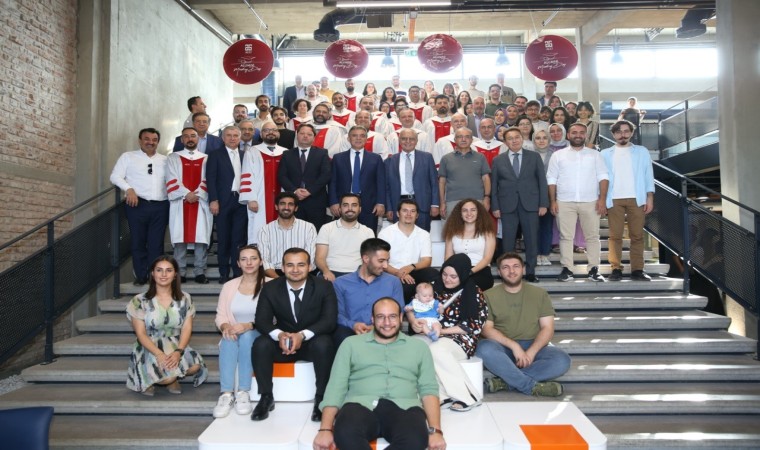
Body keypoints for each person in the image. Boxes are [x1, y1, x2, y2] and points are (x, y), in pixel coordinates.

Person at [313, 298, 445, 450]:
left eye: (392, 316)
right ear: (372, 319)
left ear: (401, 317)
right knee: (345, 435)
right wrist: (325, 429)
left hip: (405, 407)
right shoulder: (350, 344)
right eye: (380, 317)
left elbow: (428, 390)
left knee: (415, 440)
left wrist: (436, 431)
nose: (387, 323)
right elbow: (336, 387)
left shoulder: (419, 347)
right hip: (359, 406)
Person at [251, 248, 337, 422]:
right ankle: (266, 396)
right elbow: (261, 320)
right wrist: (280, 335)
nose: (295, 270)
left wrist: (302, 335)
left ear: (310, 267)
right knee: (261, 344)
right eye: (290, 265)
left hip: (311, 342)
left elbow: (329, 321)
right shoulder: (270, 288)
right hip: (283, 343)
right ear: (282, 268)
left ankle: (321, 398)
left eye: (301, 265)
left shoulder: (324, 286)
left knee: (324, 343)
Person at [476, 252, 570, 397]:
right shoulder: (488, 295)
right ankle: (529, 386)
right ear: (499, 272)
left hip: (533, 345)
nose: (511, 271)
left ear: (523, 269)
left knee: (562, 360)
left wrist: (531, 352)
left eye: (516, 266)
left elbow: (548, 328)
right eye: (506, 267)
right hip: (502, 348)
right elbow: (486, 330)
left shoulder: (540, 294)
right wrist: (514, 346)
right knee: (484, 348)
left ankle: (505, 381)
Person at [407, 253, 488, 411]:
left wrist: (442, 331)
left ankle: (468, 396)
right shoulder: (433, 286)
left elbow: (474, 325)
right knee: (412, 346)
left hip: (460, 337)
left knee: (437, 349)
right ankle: (441, 395)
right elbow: (412, 305)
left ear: (463, 275)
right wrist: (413, 321)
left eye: (453, 276)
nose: (447, 279)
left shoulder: (473, 292)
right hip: (430, 332)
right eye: (444, 274)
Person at [126, 256, 207, 395]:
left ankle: (171, 376)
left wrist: (178, 352)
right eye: (159, 270)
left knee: (195, 366)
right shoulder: (139, 300)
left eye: (169, 270)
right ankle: (151, 379)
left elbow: (187, 328)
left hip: (175, 343)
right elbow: (141, 334)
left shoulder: (185, 298)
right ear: (153, 273)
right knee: (167, 378)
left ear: (175, 274)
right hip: (150, 345)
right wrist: (159, 354)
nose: (164, 274)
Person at [547, 122, 609, 282]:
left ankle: (594, 269)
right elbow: (551, 179)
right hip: (564, 201)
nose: (578, 135)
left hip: (591, 201)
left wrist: (602, 199)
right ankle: (567, 269)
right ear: (568, 135)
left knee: (593, 237)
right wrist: (553, 201)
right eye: (574, 132)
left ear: (585, 135)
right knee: (566, 237)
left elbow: (603, 177)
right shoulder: (558, 155)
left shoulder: (595, 155)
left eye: (582, 132)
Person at [110, 128, 169, 285]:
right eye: (147, 139)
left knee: (157, 243)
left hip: (161, 206)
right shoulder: (128, 157)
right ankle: (141, 275)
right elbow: (115, 176)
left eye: (154, 139)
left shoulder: (165, 160)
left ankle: (155, 277)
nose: (150, 142)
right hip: (137, 205)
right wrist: (129, 189)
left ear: (158, 142)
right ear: (140, 140)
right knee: (138, 241)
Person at [213, 245, 265, 418]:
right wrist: (225, 326)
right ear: (238, 263)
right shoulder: (229, 286)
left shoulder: (271, 284)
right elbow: (220, 315)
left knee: (247, 336)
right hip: (235, 331)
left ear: (261, 261)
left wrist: (249, 325)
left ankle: (243, 392)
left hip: (261, 332)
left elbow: (274, 317)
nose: (249, 263)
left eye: (253, 258)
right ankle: (226, 394)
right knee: (228, 338)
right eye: (244, 259)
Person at [491, 127, 548, 283]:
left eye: (517, 137)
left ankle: (530, 271)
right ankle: (508, 272)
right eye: (510, 138)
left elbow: (542, 181)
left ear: (522, 139)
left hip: (530, 204)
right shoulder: (498, 160)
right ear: (505, 142)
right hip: (507, 205)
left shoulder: (534, 157)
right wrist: (495, 206)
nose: (514, 140)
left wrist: (543, 203)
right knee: (507, 242)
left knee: (531, 239)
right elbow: (494, 185)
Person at [602, 120, 655, 281]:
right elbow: (601, 178)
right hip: (614, 198)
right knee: (615, 236)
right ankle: (615, 268)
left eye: (626, 131)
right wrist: (601, 199)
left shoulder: (642, 151)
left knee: (637, 236)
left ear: (631, 133)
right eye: (618, 132)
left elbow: (648, 174)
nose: (622, 135)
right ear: (613, 134)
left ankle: (638, 269)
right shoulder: (605, 153)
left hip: (636, 198)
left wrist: (649, 197)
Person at [332, 238, 404, 346]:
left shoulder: (393, 282)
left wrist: (377, 327)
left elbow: (399, 312)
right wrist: (353, 325)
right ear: (366, 258)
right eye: (381, 261)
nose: (385, 266)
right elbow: (338, 314)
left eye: (387, 261)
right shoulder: (341, 283)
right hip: (350, 331)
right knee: (342, 335)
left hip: (384, 329)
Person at [166, 127, 212, 284]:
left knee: (201, 238)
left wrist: (197, 193)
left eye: (193, 136)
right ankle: (180, 272)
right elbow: (171, 178)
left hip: (201, 202)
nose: (190, 139)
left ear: (198, 138)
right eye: (186, 136)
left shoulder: (206, 158)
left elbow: (209, 178)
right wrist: (186, 193)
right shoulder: (173, 157)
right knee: (179, 238)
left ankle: (200, 271)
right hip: (180, 202)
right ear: (182, 140)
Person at [206, 126, 248, 283]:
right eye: (229, 135)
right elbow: (211, 178)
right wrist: (213, 199)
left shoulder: (245, 155)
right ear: (223, 138)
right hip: (223, 201)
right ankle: (223, 273)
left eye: (235, 135)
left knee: (238, 239)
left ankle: (237, 273)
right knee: (223, 238)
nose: (232, 138)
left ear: (240, 138)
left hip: (241, 201)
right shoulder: (215, 155)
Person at [379, 199, 438, 301]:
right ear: (398, 213)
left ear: (417, 215)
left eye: (412, 211)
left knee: (433, 274)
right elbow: (381, 261)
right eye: (405, 211)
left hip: (414, 270)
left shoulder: (424, 234)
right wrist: (398, 273)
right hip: (393, 272)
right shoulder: (385, 233)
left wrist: (411, 267)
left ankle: (434, 306)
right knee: (407, 287)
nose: (409, 214)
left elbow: (426, 261)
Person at [329, 126, 386, 232]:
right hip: (343, 205)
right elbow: (332, 182)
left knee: (368, 237)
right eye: (354, 135)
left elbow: (381, 182)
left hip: (369, 206)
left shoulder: (376, 158)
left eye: (362, 136)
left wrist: (380, 203)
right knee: (343, 235)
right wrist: (333, 202)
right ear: (348, 138)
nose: (358, 138)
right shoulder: (338, 158)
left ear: (366, 139)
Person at [278, 124, 331, 231]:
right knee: (295, 232)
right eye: (302, 133)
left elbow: (326, 175)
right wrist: (295, 191)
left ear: (314, 137)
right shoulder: (287, 154)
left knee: (316, 232)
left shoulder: (322, 153)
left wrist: (310, 191)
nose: (305, 136)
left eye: (309, 134)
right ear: (297, 135)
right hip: (294, 201)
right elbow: (282, 176)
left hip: (316, 200)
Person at [384, 129, 439, 231]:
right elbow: (387, 187)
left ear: (416, 141)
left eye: (411, 139)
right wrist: (389, 208)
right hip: (398, 206)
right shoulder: (390, 161)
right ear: (399, 141)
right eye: (404, 139)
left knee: (422, 236)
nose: (408, 141)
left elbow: (434, 183)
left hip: (422, 205)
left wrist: (435, 204)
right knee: (400, 237)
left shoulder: (427, 158)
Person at [315, 193, 376, 281]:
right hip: (330, 272)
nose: (350, 208)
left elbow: (370, 259)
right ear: (340, 209)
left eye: (354, 205)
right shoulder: (327, 228)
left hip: (357, 274)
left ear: (360, 209)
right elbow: (319, 258)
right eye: (345, 205)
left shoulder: (368, 232)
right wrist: (326, 271)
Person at [258, 192, 318, 279]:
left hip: (301, 272)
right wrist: (278, 280)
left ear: (296, 208)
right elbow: (264, 260)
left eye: (290, 204)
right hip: (273, 274)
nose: (286, 207)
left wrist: (296, 276)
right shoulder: (265, 230)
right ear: (276, 207)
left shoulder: (308, 228)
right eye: (282, 204)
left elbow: (310, 258)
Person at [241, 123, 283, 245]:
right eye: (267, 130)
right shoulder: (252, 151)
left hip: (281, 197)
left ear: (278, 133)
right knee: (259, 232)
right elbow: (247, 174)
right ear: (261, 134)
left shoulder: (285, 152)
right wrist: (250, 199)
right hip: (259, 198)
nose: (271, 132)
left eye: (274, 130)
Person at [443, 199, 496, 291]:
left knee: (469, 284)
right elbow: (448, 258)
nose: (469, 213)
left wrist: (470, 272)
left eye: (473, 210)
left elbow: (487, 259)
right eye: (465, 210)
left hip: (480, 270)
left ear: (478, 213)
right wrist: (454, 273)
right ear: (460, 214)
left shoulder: (488, 233)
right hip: (457, 271)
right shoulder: (451, 233)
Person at [438, 128, 491, 218]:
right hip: (452, 202)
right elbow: (442, 182)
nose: (463, 139)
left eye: (467, 137)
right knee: (452, 227)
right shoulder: (446, 158)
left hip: (477, 201)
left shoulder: (480, 157)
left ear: (472, 140)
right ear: (455, 140)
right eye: (460, 137)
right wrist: (442, 202)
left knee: (477, 227)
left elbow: (486, 179)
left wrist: (486, 198)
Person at [532, 129, 555, 267]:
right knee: (532, 228)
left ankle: (545, 254)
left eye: (544, 138)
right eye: (538, 138)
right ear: (533, 140)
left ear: (549, 140)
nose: (541, 140)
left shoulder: (555, 155)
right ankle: (535, 254)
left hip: (549, 195)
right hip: (531, 196)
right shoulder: (528, 155)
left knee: (546, 226)